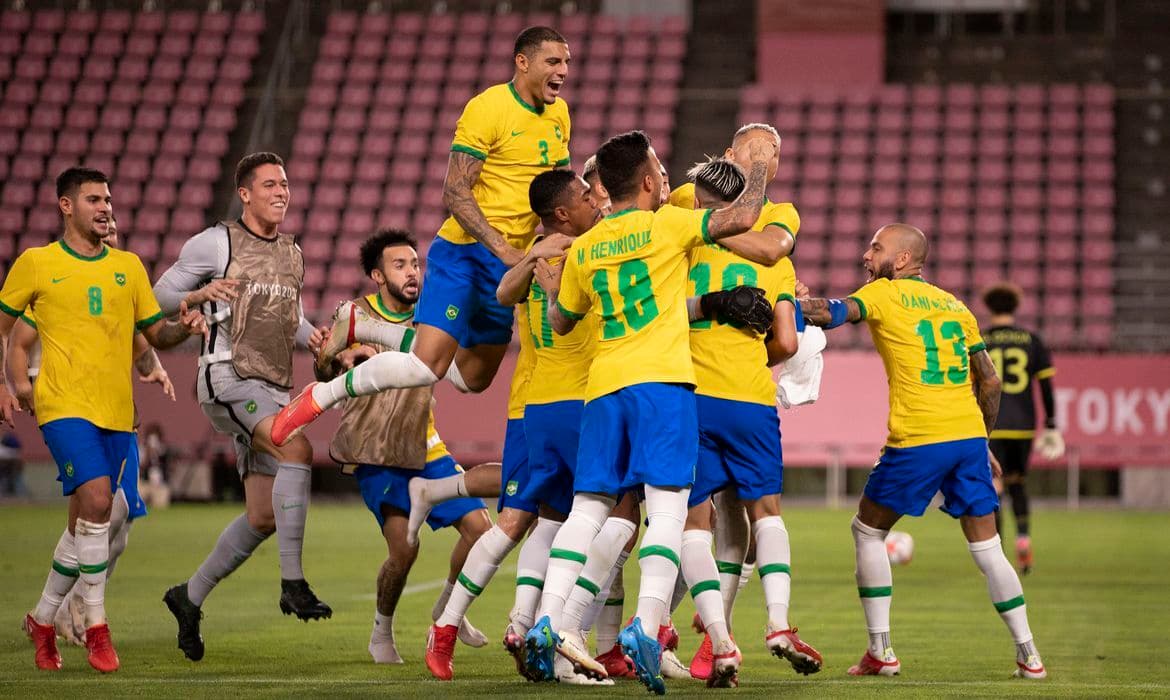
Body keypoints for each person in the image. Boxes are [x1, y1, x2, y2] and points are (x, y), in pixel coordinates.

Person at [531, 129, 776, 693]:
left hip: (603, 388)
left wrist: (549, 289)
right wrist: (759, 165)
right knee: (668, 511)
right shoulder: (668, 224)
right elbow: (742, 217)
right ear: (646, 181)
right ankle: (645, 624)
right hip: (662, 386)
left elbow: (563, 322)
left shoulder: (587, 245)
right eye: (659, 170)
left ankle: (549, 619)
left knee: (588, 509)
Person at [270, 26, 574, 443]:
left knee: (473, 379)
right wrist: (504, 248)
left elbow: (557, 190)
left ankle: (366, 326)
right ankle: (320, 396)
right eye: (553, 61)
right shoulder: (488, 108)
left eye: (567, 62)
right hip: (467, 252)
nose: (563, 71)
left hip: (510, 265)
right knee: (427, 366)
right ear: (522, 62)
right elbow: (455, 190)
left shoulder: (560, 115)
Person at [799, 223, 1046, 680]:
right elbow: (990, 381)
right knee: (989, 547)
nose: (865, 255)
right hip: (967, 439)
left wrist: (784, 302)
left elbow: (830, 313)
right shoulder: (956, 306)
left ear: (901, 260)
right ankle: (1029, 655)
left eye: (875, 247)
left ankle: (881, 651)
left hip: (918, 437)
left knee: (867, 531)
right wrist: (981, 439)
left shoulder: (884, 293)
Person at [1, 167, 205, 673]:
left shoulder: (128, 267)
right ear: (66, 205)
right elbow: (6, 329)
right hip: (61, 405)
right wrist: (9, 385)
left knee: (86, 523)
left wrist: (185, 325)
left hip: (116, 411)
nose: (105, 207)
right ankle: (96, 627)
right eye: (94, 199)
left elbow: (155, 335)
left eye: (108, 199)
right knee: (98, 502)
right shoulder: (37, 263)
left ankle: (42, 620)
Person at [153, 152, 329, 663]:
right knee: (296, 448)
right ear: (245, 194)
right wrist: (198, 294)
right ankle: (292, 583)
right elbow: (158, 295)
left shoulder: (292, 252)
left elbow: (288, 317)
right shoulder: (216, 242)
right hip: (227, 376)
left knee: (262, 516)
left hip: (271, 385)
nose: (281, 192)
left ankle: (188, 597)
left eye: (285, 184)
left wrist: (313, 337)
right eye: (270, 184)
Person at [315, 229, 495, 665]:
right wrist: (335, 358)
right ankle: (381, 631)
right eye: (400, 265)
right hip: (375, 449)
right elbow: (325, 369)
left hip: (424, 444)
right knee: (404, 549)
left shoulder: (431, 315)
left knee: (483, 532)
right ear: (378, 275)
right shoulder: (354, 315)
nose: (412, 272)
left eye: (415, 264)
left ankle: (447, 609)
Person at [676, 157, 819, 684]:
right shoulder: (775, 263)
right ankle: (778, 623)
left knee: (694, 523)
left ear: (699, 199)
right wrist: (750, 359)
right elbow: (787, 342)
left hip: (690, 394)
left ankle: (719, 640)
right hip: (751, 401)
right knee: (767, 514)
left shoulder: (683, 245)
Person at [982, 282, 1063, 574]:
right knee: (1018, 483)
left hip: (991, 425)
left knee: (994, 487)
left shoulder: (981, 340)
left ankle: (997, 554)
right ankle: (1024, 539)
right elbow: (1046, 386)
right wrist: (1051, 424)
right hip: (1024, 426)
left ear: (989, 308)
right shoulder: (1032, 340)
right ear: (1015, 307)